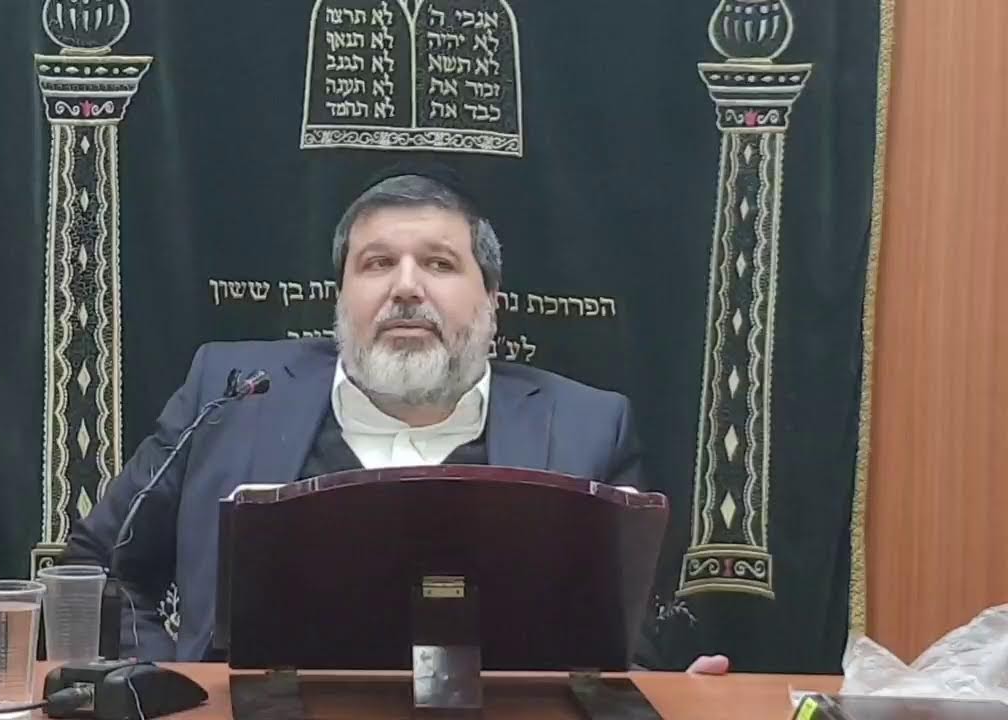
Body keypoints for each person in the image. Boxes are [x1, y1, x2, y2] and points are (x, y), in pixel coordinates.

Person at [63, 164, 728, 674]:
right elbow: (97, 567)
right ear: (340, 298)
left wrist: (662, 694)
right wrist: (169, 690)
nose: (406, 287)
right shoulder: (230, 392)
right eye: (377, 263)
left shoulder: (591, 427)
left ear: (492, 302)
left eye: (439, 263)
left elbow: (628, 644)